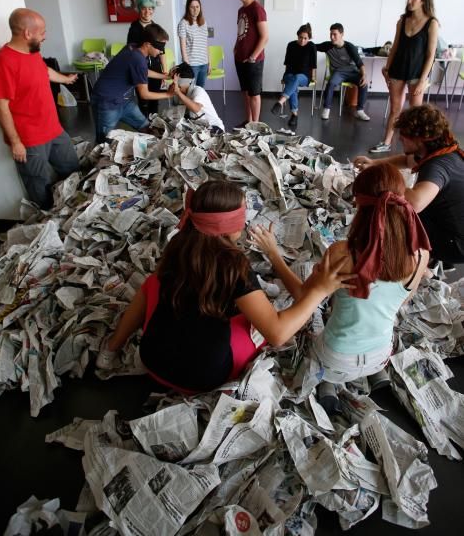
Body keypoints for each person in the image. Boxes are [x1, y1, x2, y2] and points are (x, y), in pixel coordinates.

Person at [96, 180, 353, 392]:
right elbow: (277, 335)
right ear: (229, 225)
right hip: (201, 378)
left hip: (151, 359)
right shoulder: (234, 266)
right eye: (243, 211)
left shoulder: (179, 244)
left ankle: (111, 349)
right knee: (262, 323)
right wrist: (319, 291)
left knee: (152, 284)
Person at [250, 162, 429, 385]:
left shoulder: (342, 253)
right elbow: (403, 300)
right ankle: (371, 375)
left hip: (335, 359)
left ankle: (326, 385)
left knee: (312, 316)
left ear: (358, 203)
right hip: (381, 354)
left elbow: (302, 296)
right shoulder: (421, 253)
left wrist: (273, 254)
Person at [355, 104, 464, 267]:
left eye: (404, 135)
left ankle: (418, 263)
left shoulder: (437, 166)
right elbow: (407, 160)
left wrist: (383, 181)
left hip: (456, 244)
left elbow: (415, 203)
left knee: (394, 213)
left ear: (420, 139)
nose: (400, 138)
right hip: (452, 225)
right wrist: (374, 163)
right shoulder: (442, 150)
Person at [0, 8, 79, 210]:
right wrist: (16, 142)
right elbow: (1, 107)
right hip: (30, 139)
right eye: (42, 32)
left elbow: (45, 70)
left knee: (72, 168)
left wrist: (65, 79)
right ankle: (47, 220)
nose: (45, 36)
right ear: (27, 33)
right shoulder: (4, 61)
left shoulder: (32, 52)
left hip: (53, 128)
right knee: (38, 184)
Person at [370, 0, 439, 153]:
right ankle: (386, 142)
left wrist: (423, 80)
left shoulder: (432, 23)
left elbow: (431, 54)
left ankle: (417, 147)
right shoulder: (402, 20)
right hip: (398, 70)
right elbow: (395, 47)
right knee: (395, 109)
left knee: (416, 113)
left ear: (424, 0)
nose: (409, 0)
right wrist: (386, 68)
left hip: (417, 73)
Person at [91, 24, 173, 144]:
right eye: (160, 47)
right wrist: (168, 94)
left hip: (124, 101)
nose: (161, 51)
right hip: (107, 101)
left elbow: (142, 71)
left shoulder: (133, 48)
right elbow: (144, 94)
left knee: (146, 127)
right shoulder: (137, 58)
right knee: (104, 142)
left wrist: (165, 76)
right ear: (148, 44)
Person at [234, 0, 269, 125]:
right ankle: (248, 122)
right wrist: (236, 48)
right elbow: (242, 32)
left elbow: (265, 36)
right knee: (245, 93)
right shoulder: (241, 10)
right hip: (240, 58)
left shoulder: (257, 9)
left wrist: (253, 57)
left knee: (254, 94)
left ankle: (255, 126)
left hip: (253, 60)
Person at [317, 23, 370, 122]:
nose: (332, 37)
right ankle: (326, 109)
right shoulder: (327, 45)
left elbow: (360, 63)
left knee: (363, 83)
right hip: (338, 72)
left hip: (351, 71)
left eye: (335, 34)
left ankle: (360, 111)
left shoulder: (350, 47)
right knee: (332, 83)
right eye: (331, 34)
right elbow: (313, 46)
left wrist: (364, 75)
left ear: (342, 34)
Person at [127, 0, 168, 116]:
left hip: (155, 67)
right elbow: (131, 52)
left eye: (150, 8)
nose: (147, 11)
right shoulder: (134, 29)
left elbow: (162, 51)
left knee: (154, 101)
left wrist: (164, 72)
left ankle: (154, 124)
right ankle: (144, 127)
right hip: (140, 68)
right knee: (143, 100)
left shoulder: (156, 27)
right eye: (144, 8)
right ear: (139, 9)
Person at [271, 23, 317, 128]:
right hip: (290, 74)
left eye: (305, 38)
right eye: (300, 37)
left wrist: (314, 78)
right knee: (293, 83)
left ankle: (280, 102)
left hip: (304, 76)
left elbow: (314, 65)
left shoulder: (311, 46)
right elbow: (287, 63)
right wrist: (284, 77)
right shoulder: (291, 45)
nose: (302, 40)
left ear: (309, 38)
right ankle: (294, 115)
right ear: (297, 36)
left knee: (296, 79)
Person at [171, 63, 225, 135]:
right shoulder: (178, 94)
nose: (173, 83)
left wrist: (178, 92)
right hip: (197, 128)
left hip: (214, 127)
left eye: (175, 80)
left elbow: (196, 108)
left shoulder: (198, 91)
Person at [177, 0, 209, 88]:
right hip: (192, 65)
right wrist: (187, 65)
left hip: (204, 63)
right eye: (192, 7)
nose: (195, 9)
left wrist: (209, 63)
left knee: (200, 92)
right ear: (188, 8)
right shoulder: (183, 23)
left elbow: (205, 44)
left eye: (197, 6)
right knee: (190, 92)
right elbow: (182, 47)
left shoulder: (203, 23)